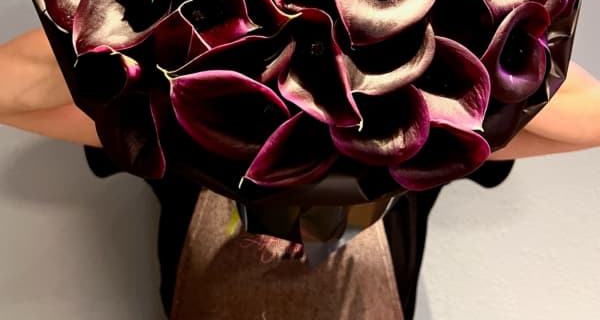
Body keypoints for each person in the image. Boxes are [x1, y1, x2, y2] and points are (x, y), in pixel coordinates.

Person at [1, 27, 599, 319]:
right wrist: (146, 28)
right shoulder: (192, 125)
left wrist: (441, 33)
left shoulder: (408, 139)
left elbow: (589, 118)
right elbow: (10, 89)